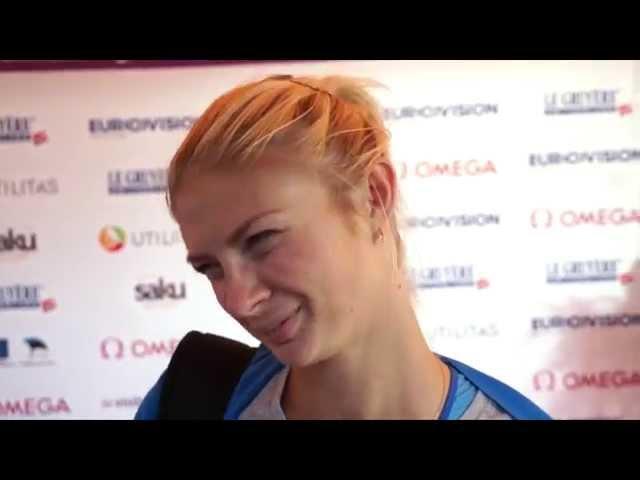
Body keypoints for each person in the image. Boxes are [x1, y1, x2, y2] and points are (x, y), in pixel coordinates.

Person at [135, 74, 551, 420]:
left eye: (261, 240)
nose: (240, 301)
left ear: (373, 194)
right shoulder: (190, 401)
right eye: (211, 268)